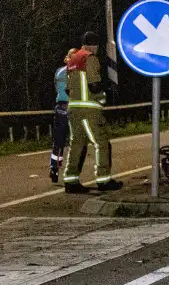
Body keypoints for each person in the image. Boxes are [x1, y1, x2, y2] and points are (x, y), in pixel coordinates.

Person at [60, 32, 122, 193]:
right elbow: (94, 85)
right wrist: (103, 97)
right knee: (101, 142)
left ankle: (71, 180)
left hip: (73, 108)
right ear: (94, 45)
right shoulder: (90, 58)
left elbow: (67, 88)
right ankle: (104, 180)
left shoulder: (71, 60)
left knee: (77, 144)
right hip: (89, 109)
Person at [49, 48, 77, 184]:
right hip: (72, 106)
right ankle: (72, 172)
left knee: (58, 141)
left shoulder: (59, 71)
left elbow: (56, 87)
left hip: (60, 106)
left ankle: (54, 167)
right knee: (76, 140)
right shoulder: (74, 72)